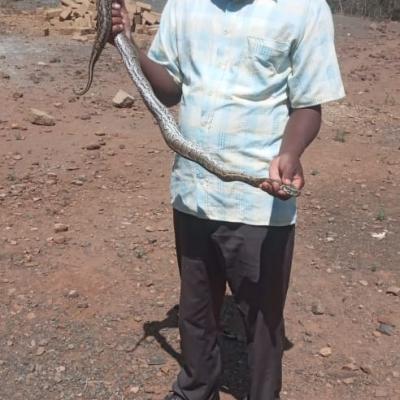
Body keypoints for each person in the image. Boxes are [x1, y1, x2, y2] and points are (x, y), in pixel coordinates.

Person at [109, 0, 345, 399]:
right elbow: (169, 90)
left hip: (260, 196)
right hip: (193, 192)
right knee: (196, 311)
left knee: (263, 320)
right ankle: (196, 389)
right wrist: (127, 43)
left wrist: (289, 154)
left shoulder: (304, 9)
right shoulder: (183, 5)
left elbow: (308, 103)